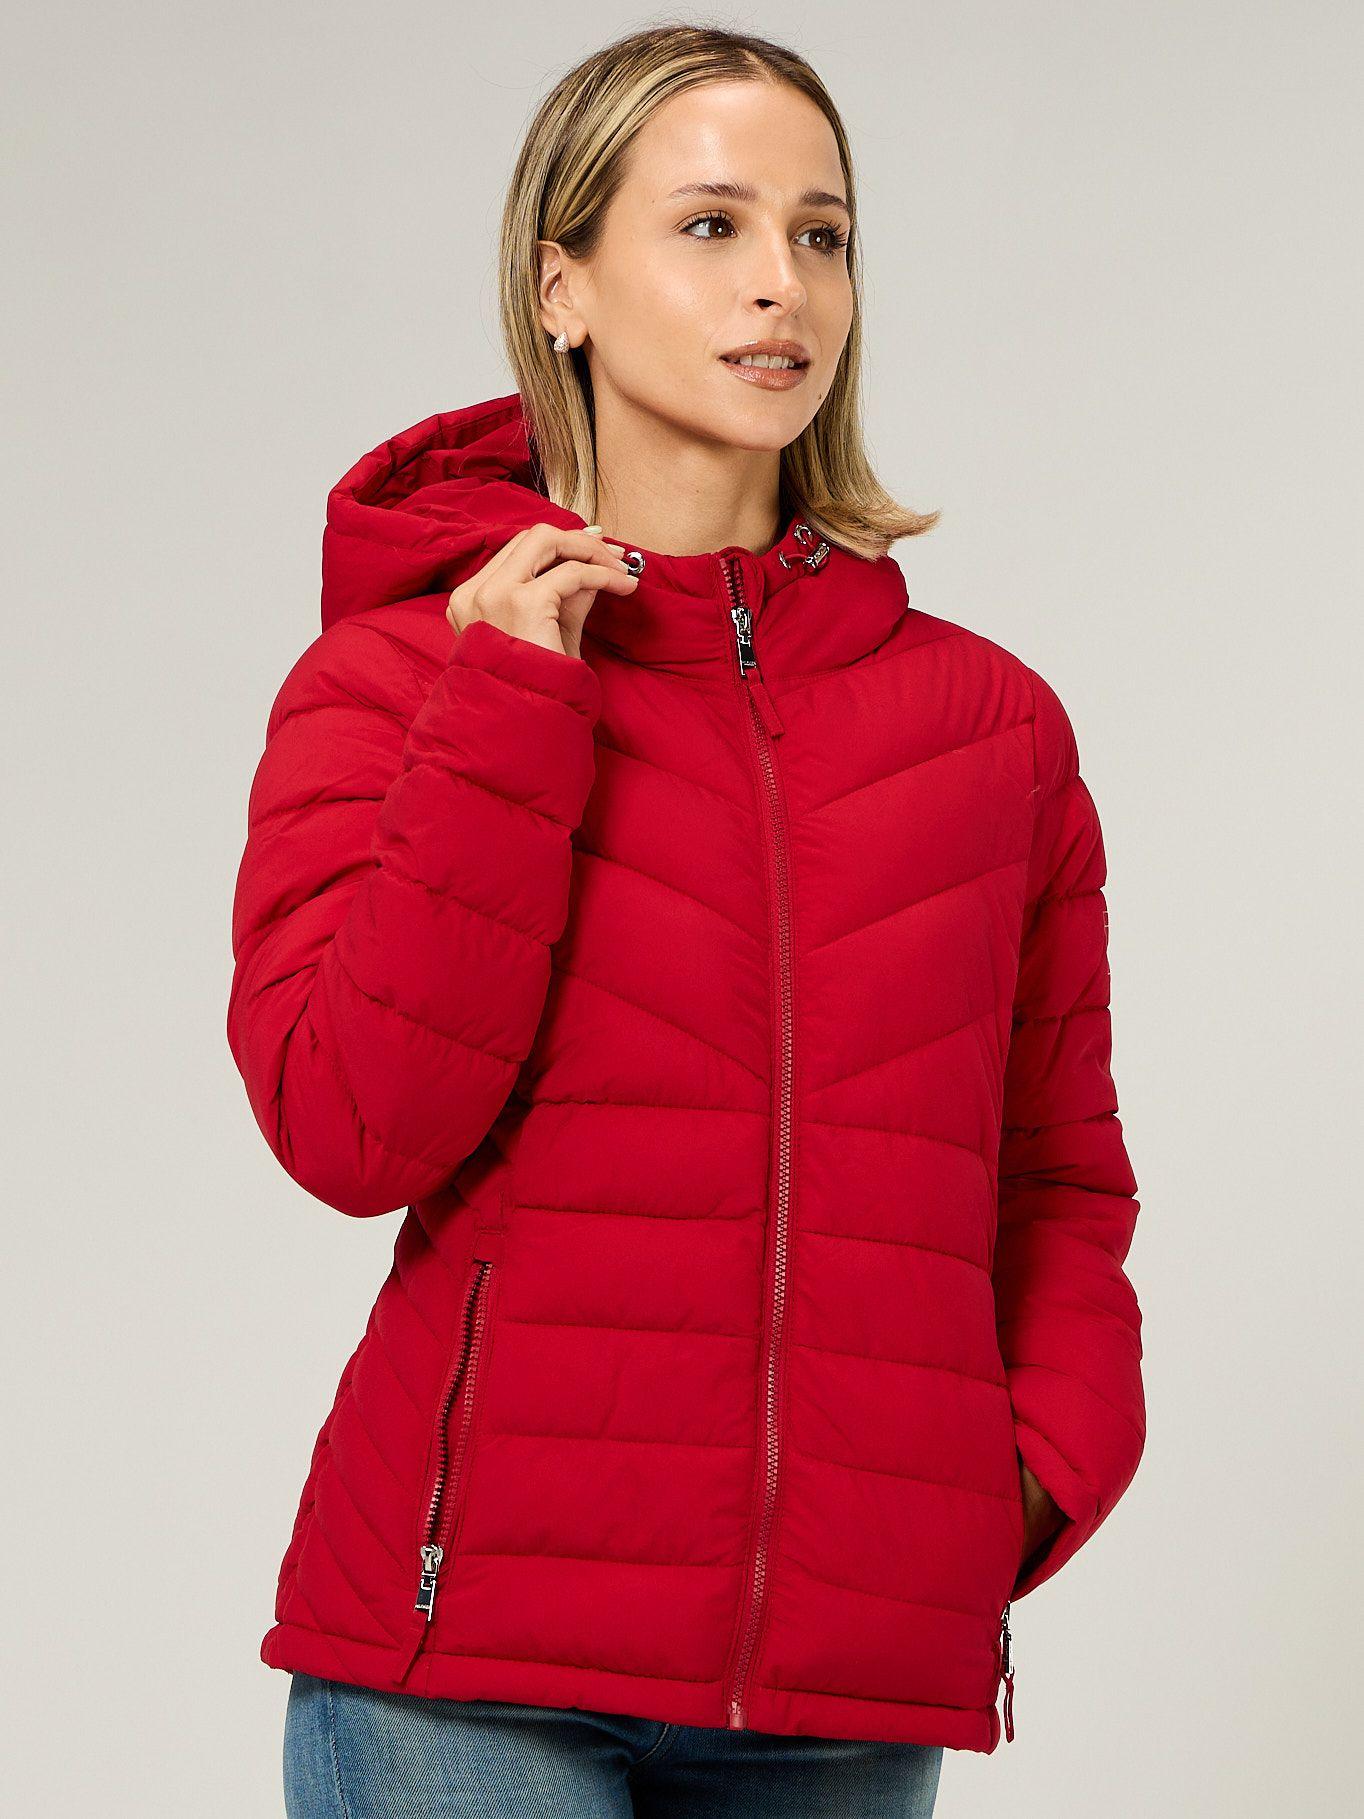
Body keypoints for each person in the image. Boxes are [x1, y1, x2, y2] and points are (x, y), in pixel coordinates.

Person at [226, 23, 1145, 1818]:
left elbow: (1057, 1175)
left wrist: (1023, 1475)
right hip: (469, 1678)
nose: (782, 284)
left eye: (823, 233)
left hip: (846, 1685)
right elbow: (347, 1127)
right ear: (560, 284)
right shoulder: (402, 683)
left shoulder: (990, 728)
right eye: (712, 226)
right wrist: (510, 710)